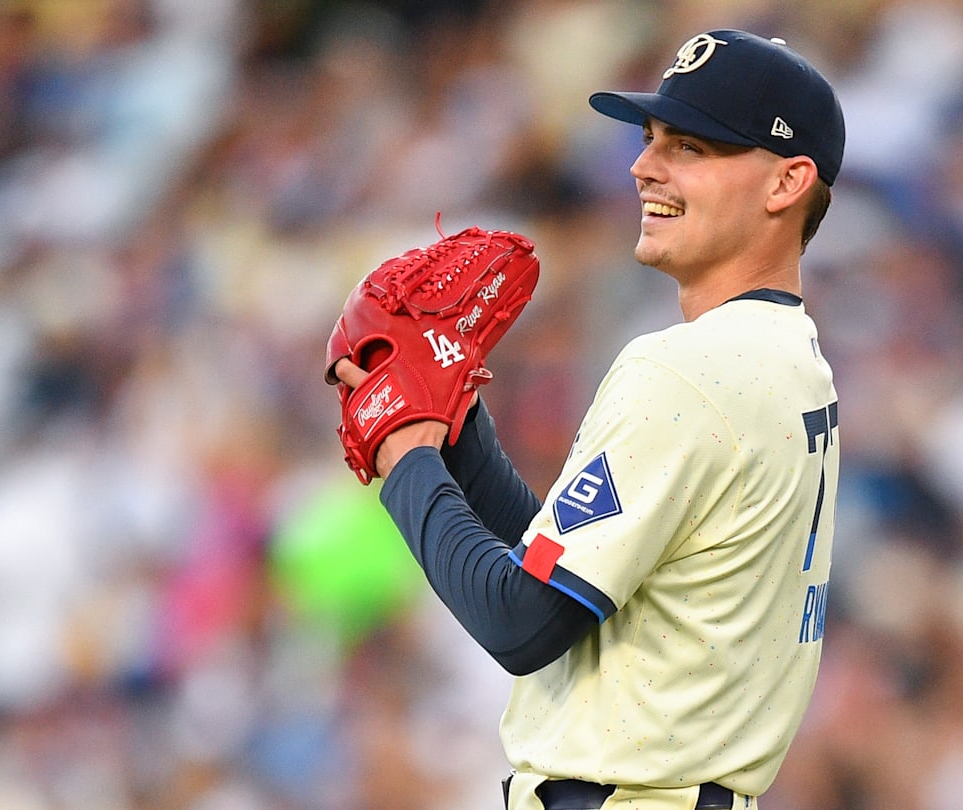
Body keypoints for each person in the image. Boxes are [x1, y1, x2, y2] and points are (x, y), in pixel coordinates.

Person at [331, 28, 845, 810]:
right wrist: (457, 424)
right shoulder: (791, 361)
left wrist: (406, 453)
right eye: (651, 140)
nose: (645, 166)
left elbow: (522, 626)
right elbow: (568, 575)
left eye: (691, 148)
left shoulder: (687, 370)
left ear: (786, 184)